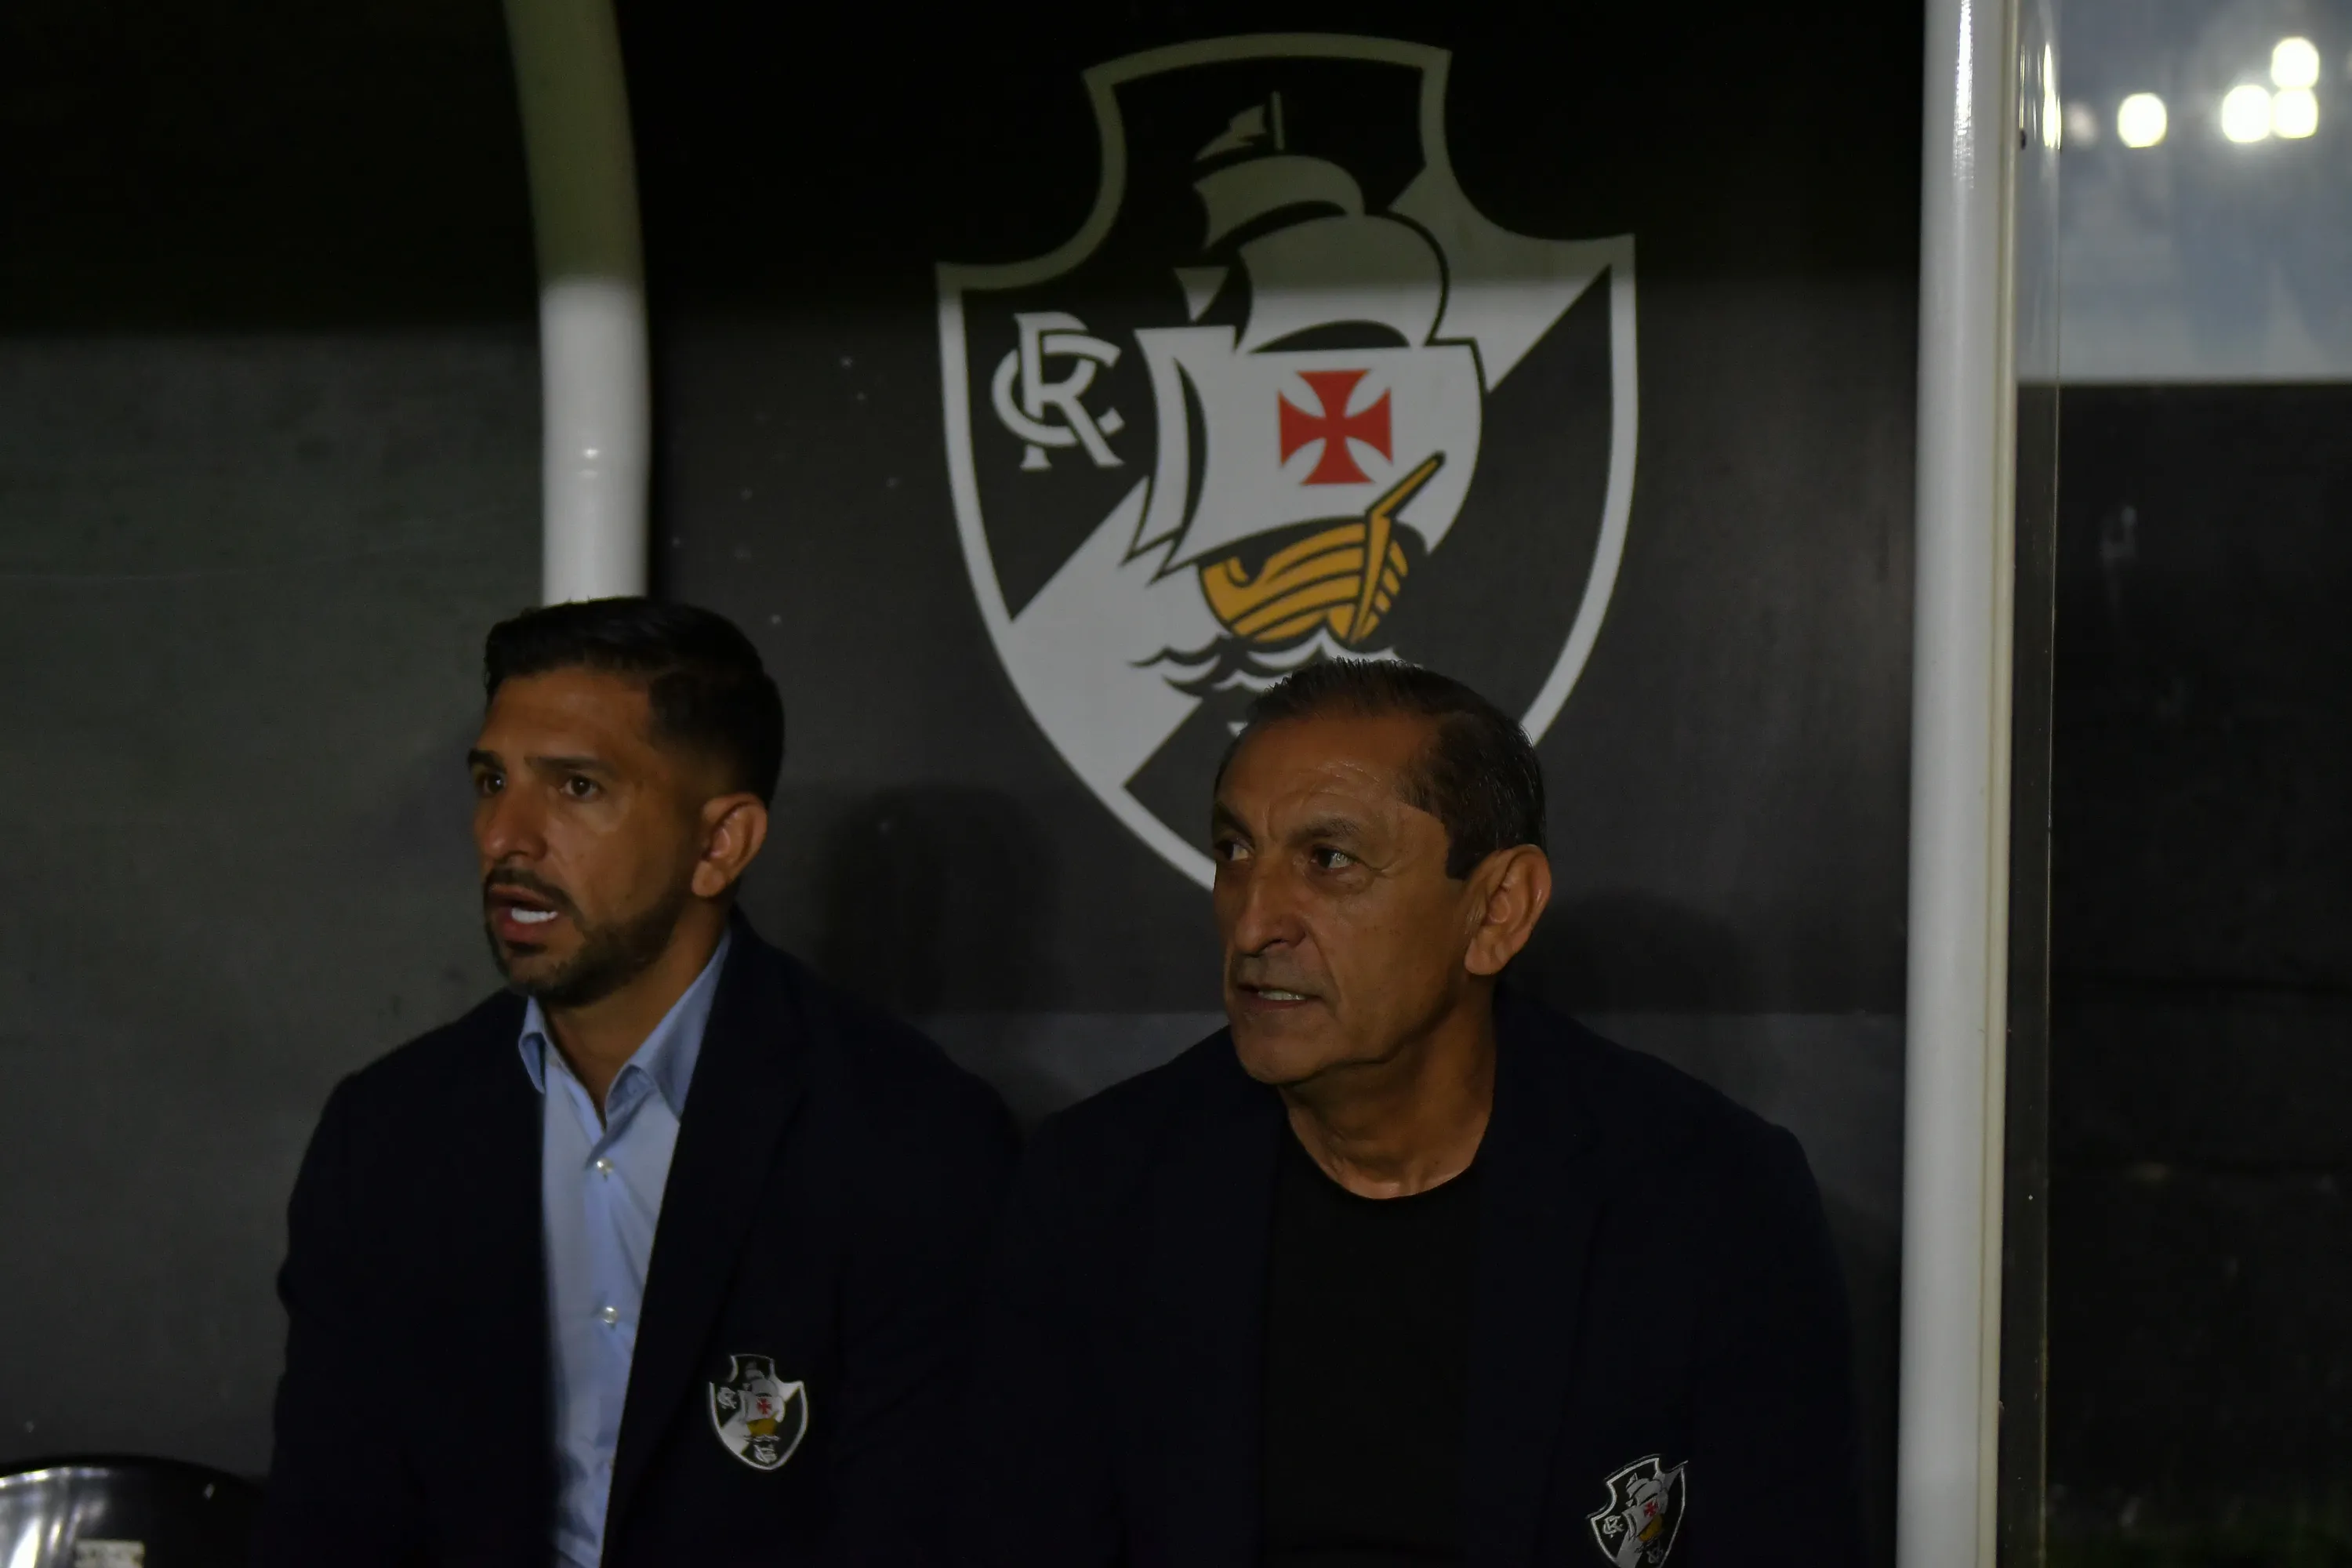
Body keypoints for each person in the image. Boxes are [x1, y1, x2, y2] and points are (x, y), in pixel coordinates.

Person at [963, 660, 1860, 1566]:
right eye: (1236, 852)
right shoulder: (1099, 1188)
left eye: (1330, 860)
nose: (1253, 923)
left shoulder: (1711, 1197)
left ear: (1497, 909)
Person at [256, 598, 1016, 1567]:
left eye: (576, 786)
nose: (506, 837)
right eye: (492, 780)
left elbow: (920, 1530)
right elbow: (331, 1522)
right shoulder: (387, 1135)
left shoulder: (910, 1137)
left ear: (720, 844)